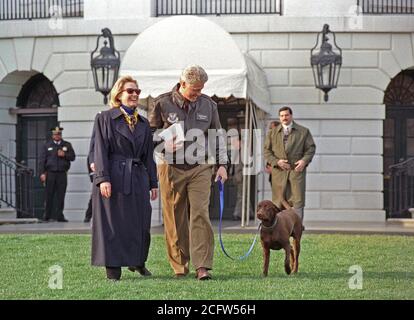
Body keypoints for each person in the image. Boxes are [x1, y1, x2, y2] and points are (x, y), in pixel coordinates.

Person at [149, 65, 228, 280]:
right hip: (170, 167)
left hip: (200, 167)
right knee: (175, 218)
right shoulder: (161, 102)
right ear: (182, 84)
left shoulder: (209, 105)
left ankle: (202, 266)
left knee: (200, 213)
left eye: (201, 89)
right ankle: (179, 265)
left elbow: (216, 134)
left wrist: (222, 164)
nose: (198, 94)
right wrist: (164, 145)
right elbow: (149, 136)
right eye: (194, 90)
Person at [91, 75, 158, 281]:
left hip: (137, 176)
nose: (135, 94)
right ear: (119, 94)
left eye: (137, 91)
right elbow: (99, 150)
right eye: (130, 91)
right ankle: (113, 269)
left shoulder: (144, 123)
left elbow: (148, 155)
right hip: (113, 176)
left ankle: (138, 261)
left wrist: (153, 182)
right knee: (113, 223)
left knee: (140, 222)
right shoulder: (104, 118)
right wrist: (103, 178)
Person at [264, 106, 315, 222]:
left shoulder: (303, 132)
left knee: (297, 201)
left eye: (286, 115)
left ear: (291, 116)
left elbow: (310, 149)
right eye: (282, 116)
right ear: (279, 117)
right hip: (279, 173)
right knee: (278, 202)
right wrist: (277, 162)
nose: (284, 118)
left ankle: (296, 233)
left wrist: (304, 161)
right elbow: (266, 151)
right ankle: (279, 233)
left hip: (296, 172)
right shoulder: (272, 133)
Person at [39, 127, 76, 222]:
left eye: (59, 134)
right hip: (50, 173)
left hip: (62, 174)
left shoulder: (67, 145)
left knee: (61, 195)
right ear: (52, 135)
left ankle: (60, 216)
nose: (57, 136)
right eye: (55, 134)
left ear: (61, 135)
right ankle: (47, 216)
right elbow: (42, 160)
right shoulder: (47, 145)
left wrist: (65, 155)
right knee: (49, 195)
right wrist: (42, 173)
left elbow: (72, 157)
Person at [83, 130, 95, 223]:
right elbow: (90, 160)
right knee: (94, 197)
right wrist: (92, 176)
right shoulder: (94, 148)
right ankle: (88, 216)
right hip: (96, 176)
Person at [264, 121, 280, 187]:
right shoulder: (271, 140)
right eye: (270, 128)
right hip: (273, 174)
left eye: (272, 128)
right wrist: (267, 166)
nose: (270, 130)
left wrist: (274, 168)